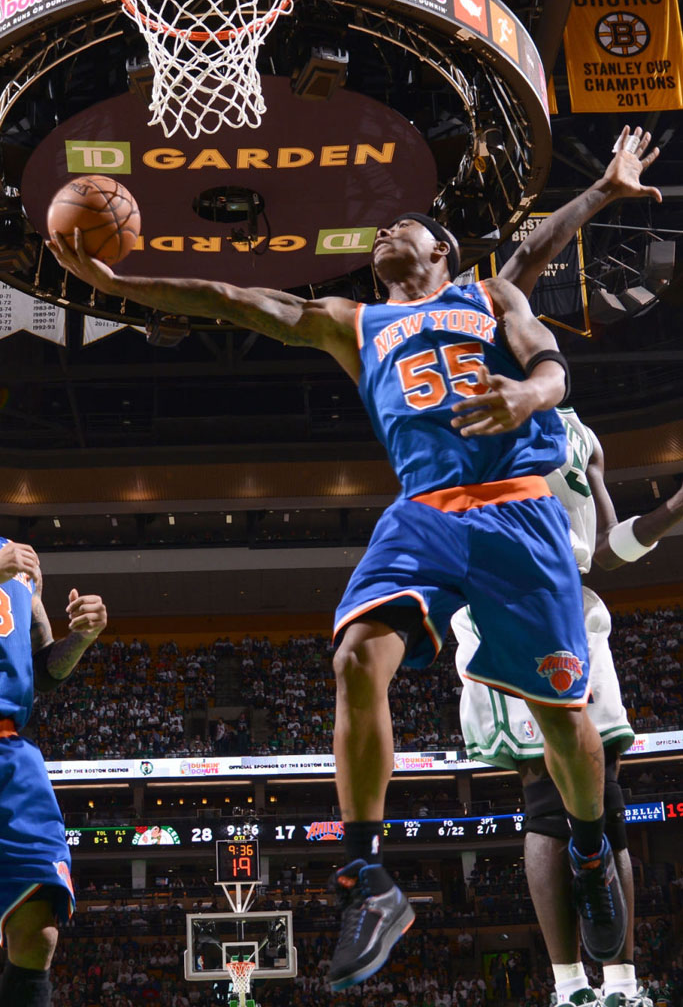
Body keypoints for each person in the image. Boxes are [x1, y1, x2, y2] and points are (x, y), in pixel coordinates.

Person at [49, 168, 616, 991]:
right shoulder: (353, 321)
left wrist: (527, 396)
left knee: (561, 720)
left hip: (516, 509)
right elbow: (231, 297)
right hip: (424, 509)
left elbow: (554, 372)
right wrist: (114, 281)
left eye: (405, 227)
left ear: (441, 250)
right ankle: (368, 874)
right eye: (379, 231)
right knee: (354, 650)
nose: (386, 234)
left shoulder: (489, 296)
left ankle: (591, 850)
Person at [452, 127, 673, 1007]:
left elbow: (611, 549)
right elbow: (525, 260)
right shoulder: (477, 366)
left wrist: (673, 512)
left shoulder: (578, 434)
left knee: (605, 801)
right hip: (509, 598)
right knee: (547, 802)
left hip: (577, 606)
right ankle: (567, 980)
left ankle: (619, 979)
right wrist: (603, 196)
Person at [0, 537, 107, 1007]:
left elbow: (43, 668)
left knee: (39, 931)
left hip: (12, 754)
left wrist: (80, 638)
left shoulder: (20, 557)